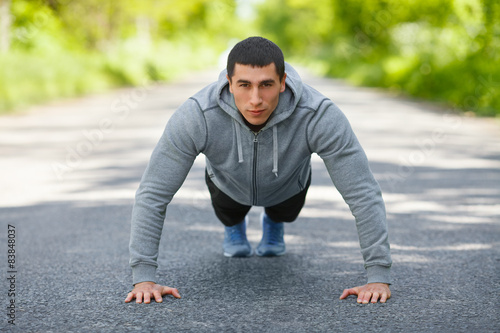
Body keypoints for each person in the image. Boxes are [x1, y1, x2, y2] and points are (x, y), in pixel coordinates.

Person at [124, 37, 392, 305]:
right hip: (228, 184)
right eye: (244, 85)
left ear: (282, 82)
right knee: (230, 211)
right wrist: (143, 278)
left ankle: (273, 223)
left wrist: (377, 276)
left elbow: (362, 192)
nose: (255, 99)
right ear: (229, 82)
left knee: (284, 211)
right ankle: (234, 226)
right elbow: (153, 192)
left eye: (266, 85)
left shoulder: (318, 115)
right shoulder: (197, 115)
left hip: (288, 184)